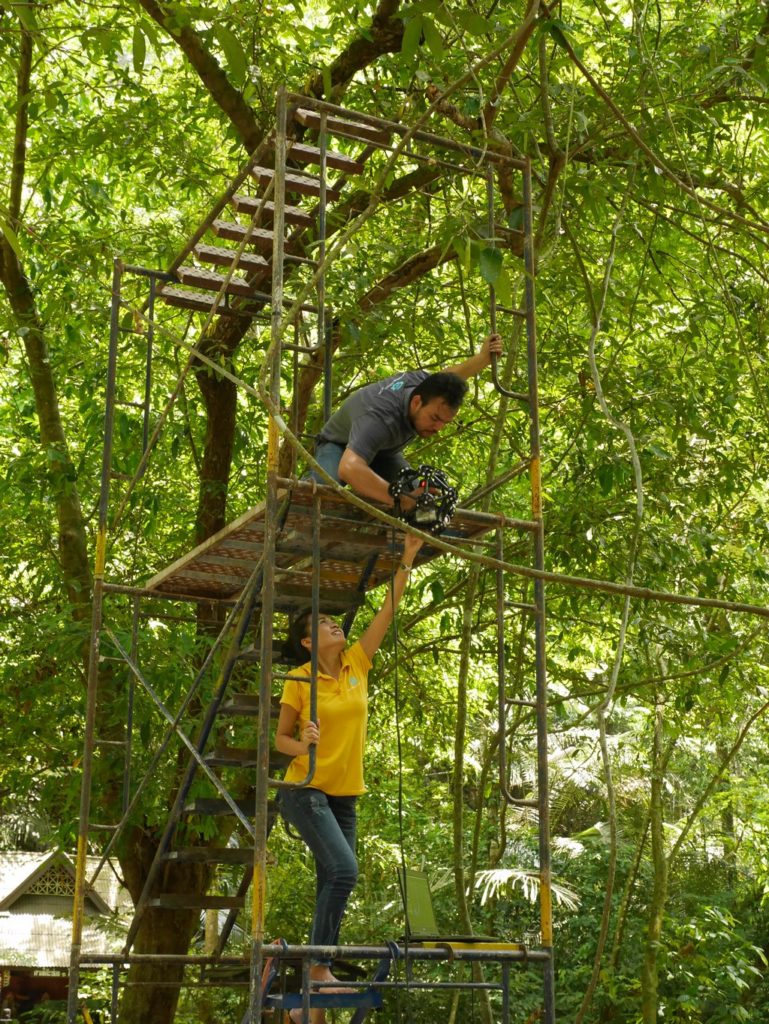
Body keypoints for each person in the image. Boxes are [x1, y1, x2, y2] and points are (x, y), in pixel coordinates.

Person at [275, 532, 424, 1023]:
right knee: (344, 871)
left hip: (345, 796)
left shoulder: (357, 663)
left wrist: (405, 559)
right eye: (322, 623)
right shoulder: (300, 679)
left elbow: (387, 612)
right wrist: (306, 741)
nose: (333, 624)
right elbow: (280, 742)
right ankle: (318, 968)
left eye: (333, 620)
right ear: (305, 641)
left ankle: (307, 1002)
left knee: (332, 878)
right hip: (305, 789)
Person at [311, 333, 504, 510]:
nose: (438, 428)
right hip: (339, 446)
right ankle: (282, 496)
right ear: (416, 402)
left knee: (422, 500)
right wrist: (400, 500)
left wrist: (482, 359)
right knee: (322, 491)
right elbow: (349, 467)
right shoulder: (379, 418)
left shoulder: (424, 384)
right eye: (435, 418)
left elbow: (448, 377)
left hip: (384, 453)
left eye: (445, 423)